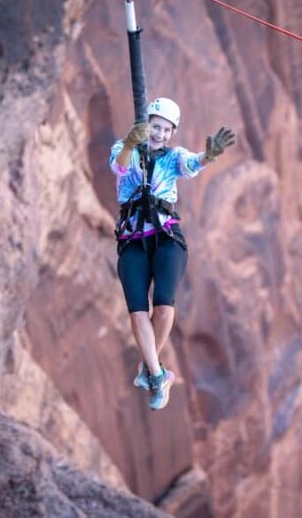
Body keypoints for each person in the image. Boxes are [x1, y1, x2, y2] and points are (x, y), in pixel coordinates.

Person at [109, 97, 236, 410]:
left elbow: (191, 164)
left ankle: (148, 368)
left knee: (164, 305)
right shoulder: (123, 148)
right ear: (146, 124)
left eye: (167, 130)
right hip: (132, 240)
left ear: (172, 133)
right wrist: (130, 142)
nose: (160, 134)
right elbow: (119, 166)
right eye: (156, 127)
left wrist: (210, 155)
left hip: (167, 238)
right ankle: (157, 373)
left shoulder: (172, 157)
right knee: (137, 311)